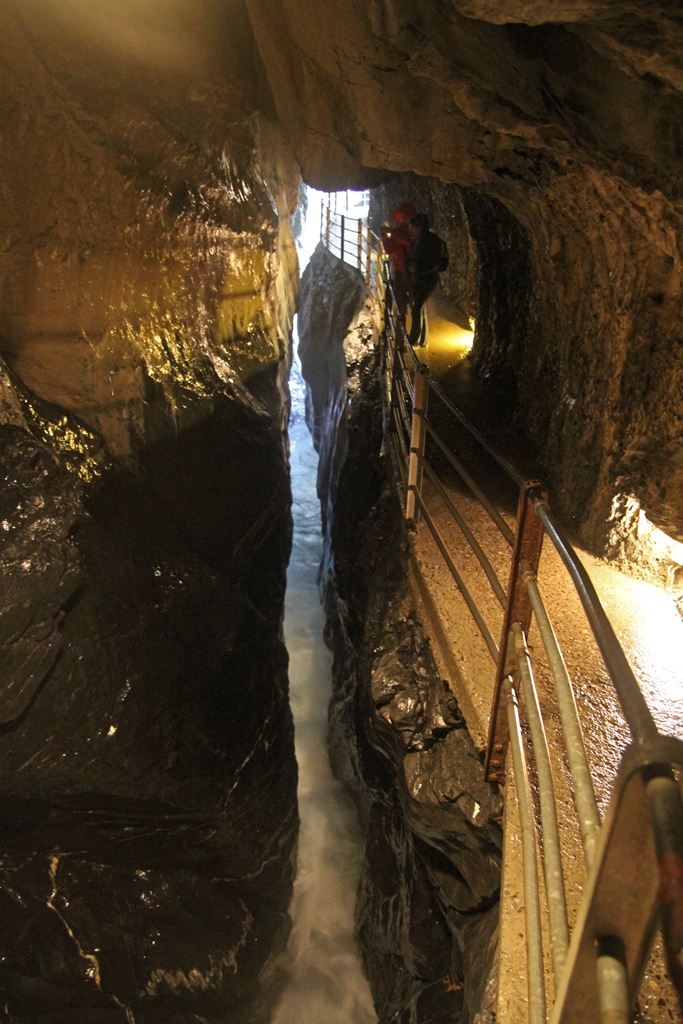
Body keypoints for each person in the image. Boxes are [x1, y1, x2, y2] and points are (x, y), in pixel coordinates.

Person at [407, 213, 446, 348]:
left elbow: (433, 264)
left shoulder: (431, 241)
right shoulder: (418, 239)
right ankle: (422, 340)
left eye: (413, 228)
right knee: (418, 307)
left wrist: (416, 268)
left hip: (428, 279)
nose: (410, 231)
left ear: (420, 228)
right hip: (419, 278)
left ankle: (413, 340)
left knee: (417, 307)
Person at [380, 201, 416, 319]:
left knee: (415, 304)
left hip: (413, 272)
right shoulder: (398, 231)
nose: (404, 219)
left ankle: (413, 331)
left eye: (406, 216)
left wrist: (393, 233)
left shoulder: (414, 231)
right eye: (402, 217)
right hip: (400, 271)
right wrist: (385, 239)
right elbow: (390, 249)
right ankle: (400, 331)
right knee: (399, 302)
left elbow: (408, 243)